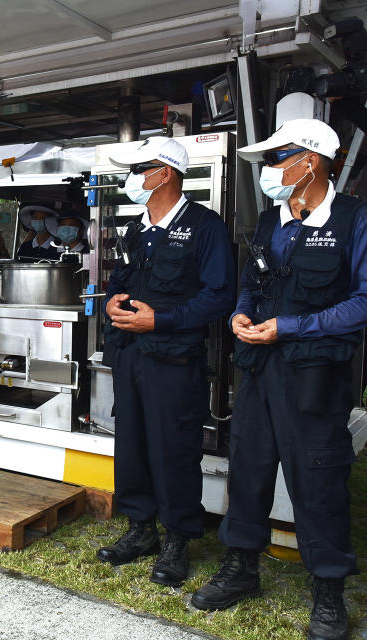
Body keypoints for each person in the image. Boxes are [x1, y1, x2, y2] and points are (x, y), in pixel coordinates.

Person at [192, 120, 367, 640]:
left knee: (318, 481)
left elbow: (362, 302)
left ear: (309, 161)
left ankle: (329, 592)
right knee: (248, 470)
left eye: (278, 158)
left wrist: (289, 327)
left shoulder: (356, 220)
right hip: (259, 372)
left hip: (316, 378)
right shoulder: (271, 222)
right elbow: (252, 284)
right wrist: (241, 316)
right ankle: (242, 568)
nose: (269, 170)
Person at [98, 136, 236, 587]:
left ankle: (178, 539)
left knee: (174, 449)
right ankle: (141, 529)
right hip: (130, 356)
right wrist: (111, 305)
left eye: (140, 171)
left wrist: (163, 320)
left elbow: (220, 296)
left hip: (174, 361)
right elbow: (118, 279)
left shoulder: (205, 226)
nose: (133, 180)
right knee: (132, 443)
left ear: (166, 173)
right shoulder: (136, 229)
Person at [16, 206, 90, 262]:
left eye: (71, 225)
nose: (66, 228)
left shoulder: (88, 252)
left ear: (81, 229)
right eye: (63, 225)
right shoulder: (50, 253)